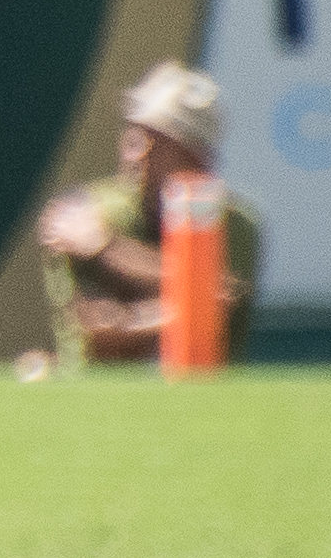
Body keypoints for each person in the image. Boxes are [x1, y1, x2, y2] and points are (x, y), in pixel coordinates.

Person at [35, 63, 263, 365]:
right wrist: (190, 304)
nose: (135, 151)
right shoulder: (89, 210)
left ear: (196, 157)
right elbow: (98, 336)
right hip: (100, 407)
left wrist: (106, 248)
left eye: (154, 141)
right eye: (133, 133)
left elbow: (220, 299)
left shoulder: (235, 223)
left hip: (203, 407)